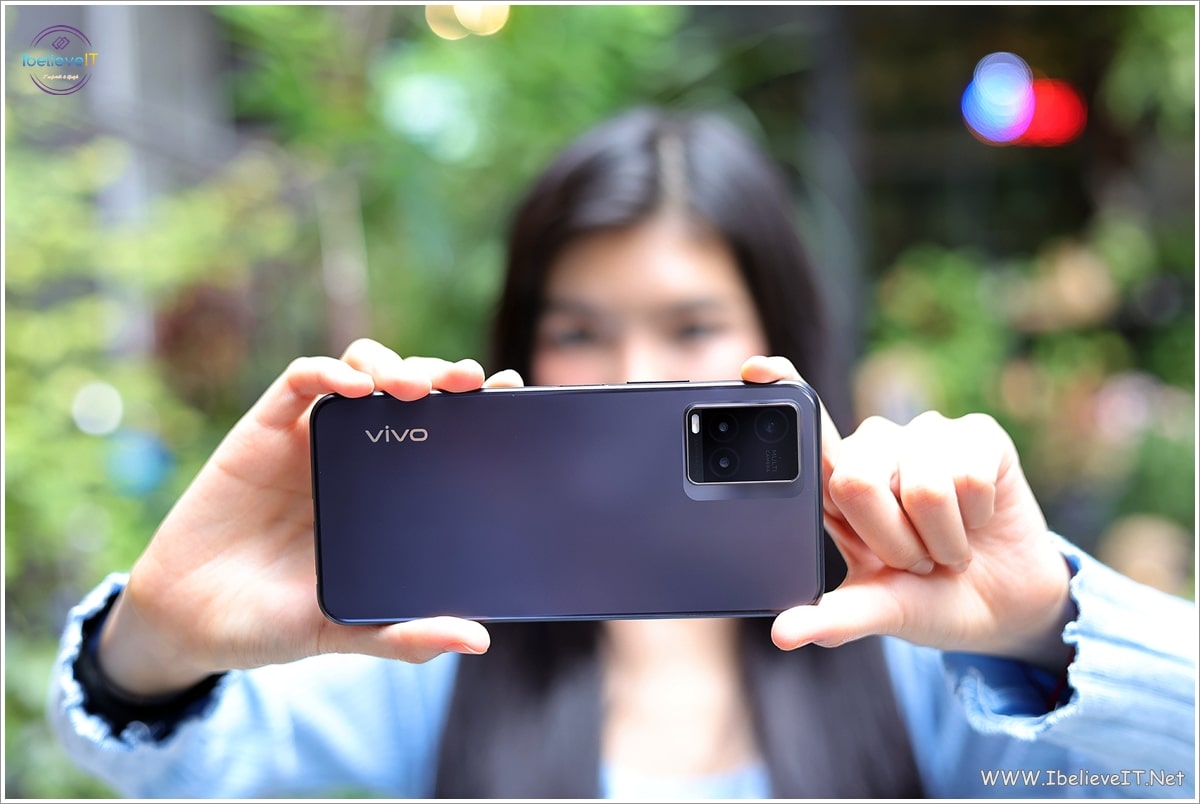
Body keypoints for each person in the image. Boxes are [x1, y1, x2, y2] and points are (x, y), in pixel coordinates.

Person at [48, 106, 1196, 799]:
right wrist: (157, 638)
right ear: (521, 352)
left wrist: (1048, 629)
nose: (636, 371)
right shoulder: (440, 638)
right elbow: (178, 769)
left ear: (781, 346)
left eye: (691, 328)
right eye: (580, 332)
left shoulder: (920, 645)